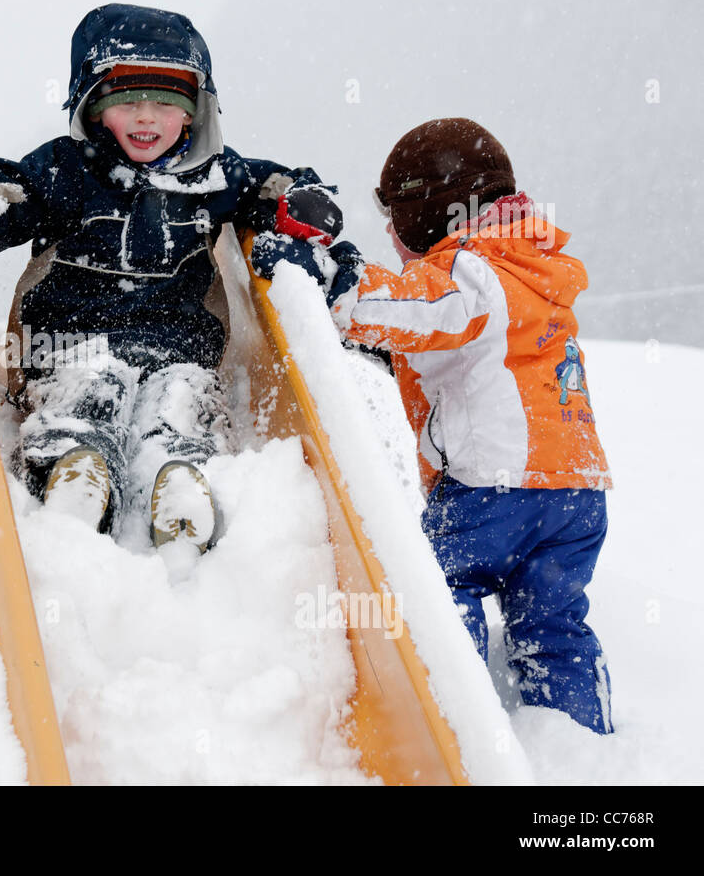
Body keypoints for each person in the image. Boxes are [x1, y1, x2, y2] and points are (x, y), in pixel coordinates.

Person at [0, 3, 340, 551]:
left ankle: (179, 476)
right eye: (126, 103)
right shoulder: (66, 169)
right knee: (88, 394)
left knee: (180, 402)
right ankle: (76, 471)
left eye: (165, 104)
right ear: (93, 110)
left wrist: (298, 199)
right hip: (68, 345)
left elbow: (266, 185)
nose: (146, 118)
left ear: (192, 114)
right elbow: (8, 193)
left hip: (180, 347)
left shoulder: (213, 175)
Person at [253, 117, 615, 733]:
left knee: (439, 594)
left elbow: (410, 306)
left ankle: (453, 723)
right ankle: (582, 745)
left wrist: (332, 276)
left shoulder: (476, 270)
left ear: (437, 211)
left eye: (397, 217)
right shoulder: (530, 264)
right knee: (553, 624)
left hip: (494, 487)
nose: (391, 233)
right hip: (576, 493)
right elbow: (436, 335)